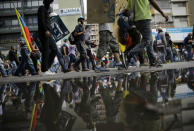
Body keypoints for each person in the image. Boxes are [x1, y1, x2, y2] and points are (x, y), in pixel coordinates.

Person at [125, 0, 168, 67]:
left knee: (149, 39)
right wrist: (162, 13)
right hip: (144, 18)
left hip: (136, 21)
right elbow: (153, 2)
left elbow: (127, 11)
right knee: (147, 40)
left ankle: (153, 61)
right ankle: (130, 53)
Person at [38, 0, 69, 74]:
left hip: (49, 33)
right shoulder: (42, 9)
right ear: (46, 2)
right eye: (49, 2)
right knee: (46, 51)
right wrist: (46, 30)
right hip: (44, 32)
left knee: (54, 49)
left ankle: (46, 67)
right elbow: (41, 20)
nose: (50, 5)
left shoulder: (46, 11)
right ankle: (44, 69)